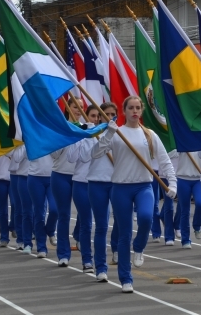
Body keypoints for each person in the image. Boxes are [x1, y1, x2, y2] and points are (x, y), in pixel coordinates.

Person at [92, 95, 177, 293]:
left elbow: (165, 162)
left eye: (138, 107)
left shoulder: (149, 135)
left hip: (144, 186)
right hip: (120, 187)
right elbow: (95, 154)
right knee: (124, 234)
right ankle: (126, 278)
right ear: (125, 111)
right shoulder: (117, 133)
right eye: (131, 107)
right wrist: (108, 135)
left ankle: (139, 247)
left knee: (147, 218)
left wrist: (172, 183)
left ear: (141, 110)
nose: (135, 111)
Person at [84, 102, 119, 281]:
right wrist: (107, 133)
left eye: (113, 114)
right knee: (102, 226)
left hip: (117, 183)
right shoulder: (92, 134)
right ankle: (101, 268)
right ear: (99, 117)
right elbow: (94, 154)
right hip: (96, 183)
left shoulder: (122, 134)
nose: (109, 117)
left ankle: (116, 249)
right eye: (106, 114)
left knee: (121, 223)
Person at [49, 97, 83, 266]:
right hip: (61, 175)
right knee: (64, 215)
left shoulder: (87, 129)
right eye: (75, 106)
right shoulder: (60, 128)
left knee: (85, 214)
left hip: (81, 178)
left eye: (81, 107)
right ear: (68, 108)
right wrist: (65, 136)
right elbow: (54, 155)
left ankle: (78, 235)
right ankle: (63, 253)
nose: (78, 110)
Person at [67, 104, 100, 273]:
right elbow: (71, 158)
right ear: (86, 117)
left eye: (98, 116)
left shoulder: (105, 135)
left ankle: (78, 235)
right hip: (81, 183)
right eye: (92, 116)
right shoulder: (81, 134)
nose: (95, 119)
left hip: (101, 184)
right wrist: (80, 136)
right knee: (87, 222)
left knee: (100, 224)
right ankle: (87, 259)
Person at [175, 150, 201, 249]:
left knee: (200, 204)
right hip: (183, 178)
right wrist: (179, 148)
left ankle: (197, 226)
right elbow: (171, 154)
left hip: (199, 178)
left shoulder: (200, 139)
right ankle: (185, 239)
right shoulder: (182, 141)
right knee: (185, 211)